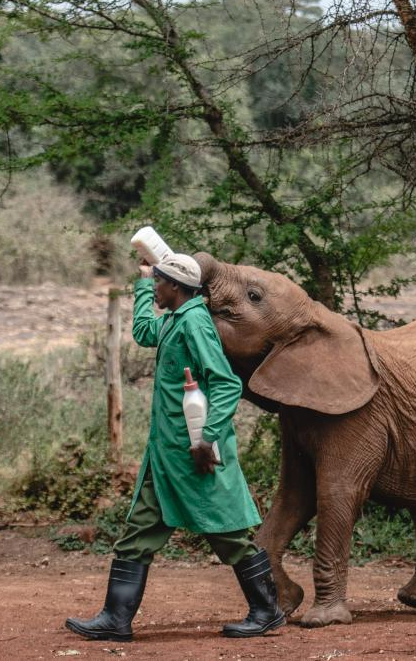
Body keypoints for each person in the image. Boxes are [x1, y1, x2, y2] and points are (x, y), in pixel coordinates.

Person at [66, 253, 285, 642]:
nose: (155, 286)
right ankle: (115, 619)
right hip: (164, 454)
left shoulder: (196, 324)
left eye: (159, 282)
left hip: (193, 454)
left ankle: (267, 611)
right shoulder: (175, 320)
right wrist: (140, 282)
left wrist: (207, 438)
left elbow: (226, 383)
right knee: (138, 532)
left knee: (227, 534)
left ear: (177, 287)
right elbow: (145, 332)